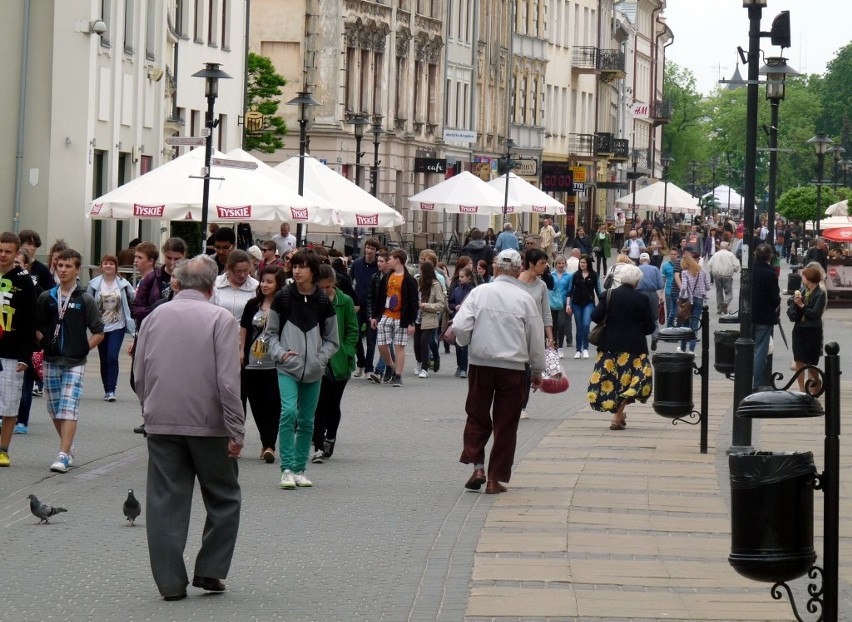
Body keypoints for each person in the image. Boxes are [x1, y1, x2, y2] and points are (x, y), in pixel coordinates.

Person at [133, 254, 244, 601]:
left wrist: (149, 409)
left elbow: (138, 374)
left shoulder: (154, 317)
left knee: (165, 501)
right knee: (224, 497)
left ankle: (169, 583)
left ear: (176, 283)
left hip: (162, 422)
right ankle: (210, 570)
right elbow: (228, 382)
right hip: (210, 425)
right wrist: (236, 429)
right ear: (213, 287)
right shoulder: (221, 319)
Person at [455, 249, 545, 494]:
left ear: (495, 269)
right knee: (506, 424)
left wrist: (468, 343)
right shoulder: (524, 299)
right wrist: (538, 370)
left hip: (481, 364)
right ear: (518, 270)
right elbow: (535, 338)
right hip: (513, 368)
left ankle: (477, 466)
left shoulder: (479, 293)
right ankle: (495, 479)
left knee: (476, 414)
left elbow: (460, 326)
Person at [265, 249, 339, 489]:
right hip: (287, 367)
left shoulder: (322, 301)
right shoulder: (283, 297)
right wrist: (280, 354)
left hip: (314, 370)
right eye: (295, 266)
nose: (296, 270)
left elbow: (332, 339)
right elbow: (270, 334)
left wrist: (321, 358)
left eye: (303, 266)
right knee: (288, 413)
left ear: (313, 271)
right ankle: (286, 468)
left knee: (307, 420)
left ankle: (299, 469)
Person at [35, 248, 104, 473]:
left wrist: (83, 348)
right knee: (55, 409)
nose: (63, 270)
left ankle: (63, 455)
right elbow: (37, 327)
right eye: (60, 266)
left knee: (69, 407)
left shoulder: (85, 300)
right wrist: (45, 343)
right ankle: (69, 445)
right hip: (51, 359)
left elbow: (99, 332)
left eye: (68, 266)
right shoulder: (47, 297)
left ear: (77, 270)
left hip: (75, 362)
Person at [587, 264, 655, 431]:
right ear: (637, 281)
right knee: (632, 381)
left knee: (612, 380)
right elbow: (649, 327)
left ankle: (619, 413)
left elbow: (595, 316)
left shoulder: (608, 295)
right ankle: (617, 417)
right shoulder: (642, 299)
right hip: (634, 347)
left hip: (609, 345)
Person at [311, 264, 358, 463]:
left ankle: (331, 437)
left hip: (339, 361)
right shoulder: (311, 301)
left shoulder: (344, 301)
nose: (325, 291)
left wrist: (346, 351)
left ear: (334, 283)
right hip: (317, 359)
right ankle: (318, 446)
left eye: (328, 287)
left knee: (333, 404)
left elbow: (352, 330)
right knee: (319, 404)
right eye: (321, 287)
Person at [239, 265, 286, 465]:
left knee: (273, 404)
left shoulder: (284, 305)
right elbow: (244, 328)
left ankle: (270, 446)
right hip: (251, 363)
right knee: (257, 405)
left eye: (269, 282)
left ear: (278, 284)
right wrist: (241, 350)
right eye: (263, 281)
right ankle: (265, 442)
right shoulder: (252, 305)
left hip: (273, 364)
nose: (265, 285)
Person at [0, 232, 37, 467]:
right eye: (0, 250)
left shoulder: (23, 280)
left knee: (10, 404)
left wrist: (26, 355)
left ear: (16, 254)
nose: (2, 255)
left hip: (12, 353)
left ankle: (3, 449)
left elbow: (30, 321)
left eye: (7, 251)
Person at [86, 255, 136, 402]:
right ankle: (106, 388)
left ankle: (111, 390)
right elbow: (87, 302)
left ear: (116, 267)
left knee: (112, 357)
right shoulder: (94, 284)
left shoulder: (123, 283)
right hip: (100, 327)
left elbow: (134, 298)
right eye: (105, 263)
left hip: (117, 326)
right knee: (103, 358)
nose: (108, 266)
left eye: (111, 264)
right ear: (101, 266)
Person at [368, 249, 418, 387]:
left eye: (390, 259)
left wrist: (412, 322)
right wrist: (374, 316)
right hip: (386, 315)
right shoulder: (387, 277)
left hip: (401, 317)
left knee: (399, 347)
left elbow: (414, 302)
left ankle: (398, 376)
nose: (388, 261)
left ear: (397, 260)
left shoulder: (409, 280)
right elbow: (380, 298)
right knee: (382, 344)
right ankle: (390, 365)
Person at [787, 264, 827, 393]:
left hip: (812, 330)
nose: (802, 279)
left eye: (803, 277)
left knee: (809, 362)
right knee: (799, 359)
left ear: (809, 278)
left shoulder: (820, 293)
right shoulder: (803, 290)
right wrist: (795, 302)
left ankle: (816, 381)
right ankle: (801, 389)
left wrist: (801, 305)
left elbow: (815, 314)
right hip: (799, 329)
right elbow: (796, 309)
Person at [131, 238, 187, 324]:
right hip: (156, 328)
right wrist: (155, 312)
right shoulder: (151, 278)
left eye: (177, 259)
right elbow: (136, 309)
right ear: (164, 254)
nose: (172, 262)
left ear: (184, 255)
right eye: (168, 258)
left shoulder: (192, 279)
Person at [349, 237, 380, 378]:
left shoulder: (377, 267)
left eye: (372, 249)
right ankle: (360, 363)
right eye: (367, 247)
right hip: (358, 305)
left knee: (370, 338)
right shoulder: (357, 264)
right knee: (355, 336)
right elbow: (350, 282)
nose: (369, 251)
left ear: (376, 251)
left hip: (372, 307)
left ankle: (369, 368)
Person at [752, 243, 781, 388]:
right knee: (760, 350)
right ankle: (755, 383)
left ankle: (746, 378)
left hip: (748, 316)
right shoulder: (770, 274)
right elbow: (775, 297)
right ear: (769, 256)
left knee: (748, 349)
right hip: (764, 316)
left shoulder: (749, 270)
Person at [413, 261, 447, 378]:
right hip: (418, 317)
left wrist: (426, 305)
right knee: (416, 343)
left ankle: (424, 368)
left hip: (429, 317)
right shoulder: (418, 283)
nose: (419, 273)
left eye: (421, 271)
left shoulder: (435, 285)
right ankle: (419, 362)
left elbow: (441, 304)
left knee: (424, 342)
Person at [566, 255, 601, 359]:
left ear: (588, 263)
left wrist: (602, 303)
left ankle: (585, 348)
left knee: (586, 325)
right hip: (576, 303)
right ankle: (578, 350)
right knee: (579, 327)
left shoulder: (594, 275)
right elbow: (570, 291)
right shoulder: (575, 275)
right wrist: (568, 304)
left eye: (584, 262)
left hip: (589, 303)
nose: (582, 264)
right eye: (581, 262)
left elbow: (598, 290)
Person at [676, 253, 710, 353]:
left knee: (685, 324)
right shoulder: (702, 271)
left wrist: (681, 297)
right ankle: (692, 350)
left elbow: (683, 287)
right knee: (694, 325)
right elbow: (708, 286)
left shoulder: (685, 272)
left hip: (688, 300)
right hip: (699, 299)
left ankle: (682, 348)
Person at [212, 249, 259, 321]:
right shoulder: (216, 284)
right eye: (238, 271)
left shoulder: (255, 286)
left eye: (246, 271)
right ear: (229, 269)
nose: (242, 275)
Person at [448, 266, 475, 378]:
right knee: (457, 344)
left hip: (468, 320)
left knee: (463, 344)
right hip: (457, 318)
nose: (460, 279)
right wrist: (455, 307)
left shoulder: (473, 291)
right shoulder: (457, 289)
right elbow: (450, 303)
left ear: (468, 278)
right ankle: (459, 366)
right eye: (459, 276)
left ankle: (464, 368)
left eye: (462, 277)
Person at [705, 240, 739, 314]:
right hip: (727, 275)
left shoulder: (715, 254)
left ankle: (719, 309)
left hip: (717, 275)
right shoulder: (730, 254)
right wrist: (734, 270)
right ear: (727, 247)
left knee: (719, 292)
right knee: (729, 293)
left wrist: (711, 272)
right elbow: (736, 265)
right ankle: (726, 303)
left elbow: (709, 264)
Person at [636, 253, 664, 339]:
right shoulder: (655, 269)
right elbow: (660, 285)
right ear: (649, 260)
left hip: (640, 294)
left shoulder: (636, 269)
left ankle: (640, 336)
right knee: (654, 316)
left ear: (640, 260)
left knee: (639, 315)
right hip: (652, 293)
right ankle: (654, 336)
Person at [549, 255, 572, 356]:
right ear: (556, 264)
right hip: (552, 303)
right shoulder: (551, 275)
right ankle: (554, 347)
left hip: (562, 303)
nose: (561, 265)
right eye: (559, 263)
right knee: (553, 325)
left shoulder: (569, 276)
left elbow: (569, 290)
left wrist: (568, 304)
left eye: (563, 263)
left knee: (561, 324)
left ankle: (560, 347)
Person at [661, 247, 682, 327]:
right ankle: (669, 329)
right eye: (672, 254)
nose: (673, 256)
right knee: (670, 311)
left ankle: (678, 328)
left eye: (675, 254)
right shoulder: (665, 266)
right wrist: (661, 294)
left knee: (679, 312)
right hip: (668, 291)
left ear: (678, 255)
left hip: (679, 292)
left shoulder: (681, 264)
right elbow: (663, 280)